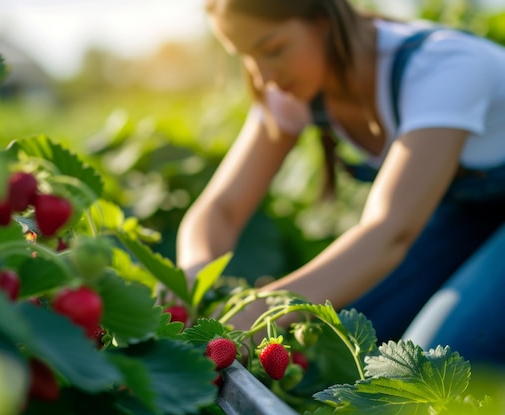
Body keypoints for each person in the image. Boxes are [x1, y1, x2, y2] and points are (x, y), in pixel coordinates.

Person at [175, 0, 505, 365]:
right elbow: (221, 208)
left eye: (272, 49)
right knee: (340, 342)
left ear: (323, 20)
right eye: (246, 57)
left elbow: (388, 233)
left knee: (429, 364)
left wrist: (260, 309)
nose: (263, 76)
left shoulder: (443, 68)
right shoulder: (294, 89)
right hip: (470, 215)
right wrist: (193, 279)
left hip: (434, 223)